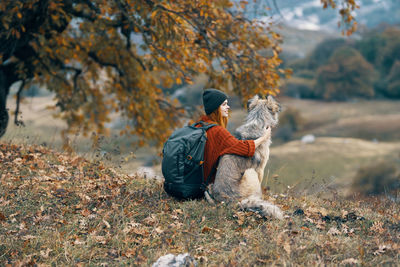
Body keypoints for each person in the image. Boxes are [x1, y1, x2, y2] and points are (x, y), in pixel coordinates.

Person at [198, 88, 271, 184]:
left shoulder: (199, 125)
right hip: (206, 184)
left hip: (196, 181)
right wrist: (263, 138)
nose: (228, 107)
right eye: (224, 105)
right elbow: (243, 148)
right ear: (215, 108)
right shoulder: (217, 131)